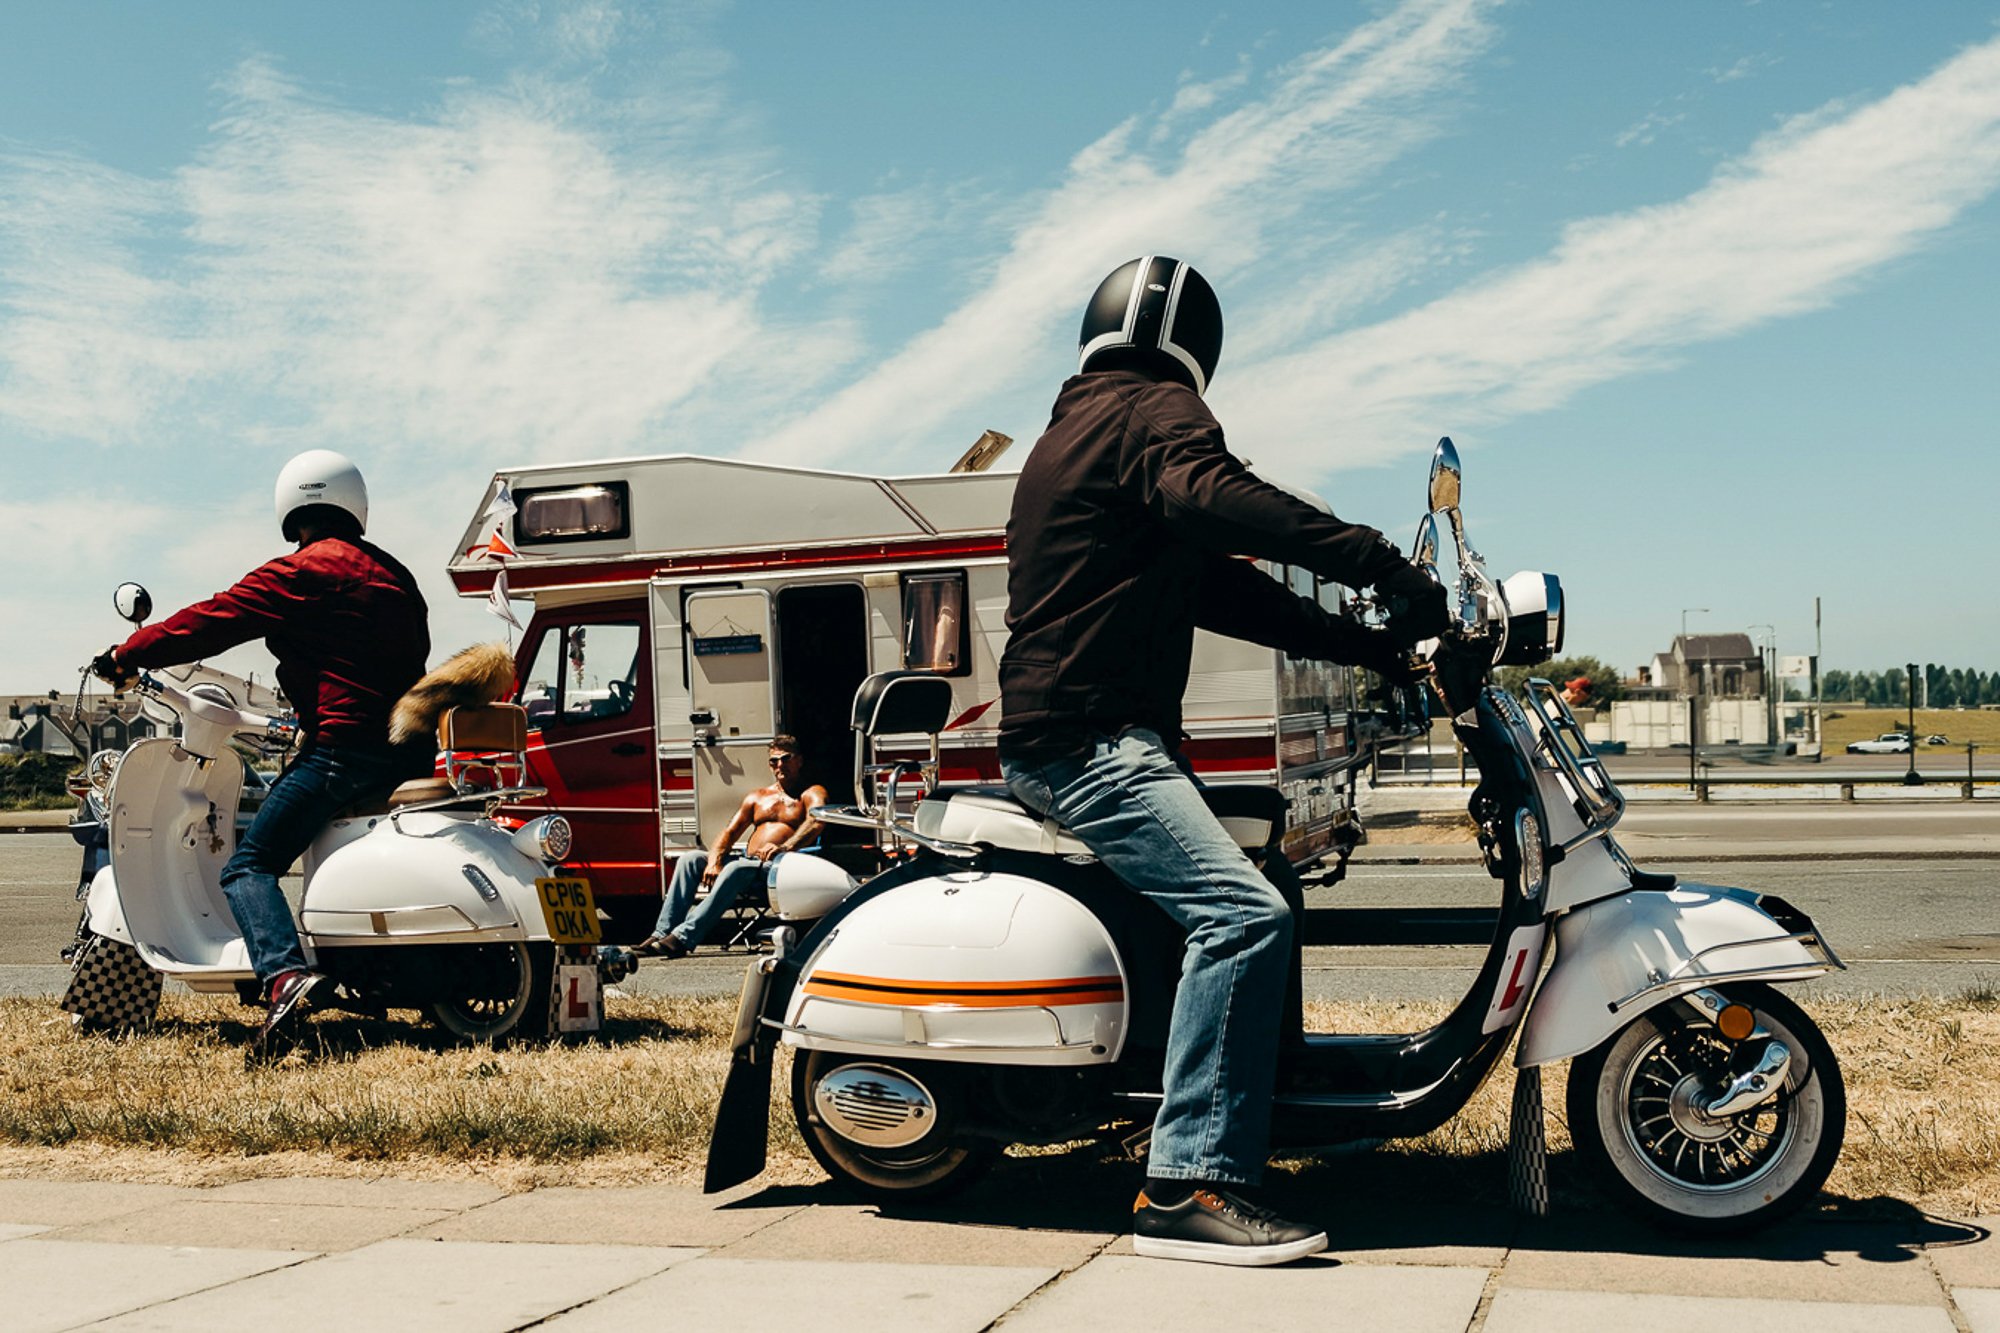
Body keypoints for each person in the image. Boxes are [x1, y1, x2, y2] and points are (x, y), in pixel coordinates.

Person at [998, 256, 1448, 1266]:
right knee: (1243, 915)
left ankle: (1250, 1113)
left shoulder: (1082, 428)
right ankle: (1189, 1184)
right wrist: (1379, 562)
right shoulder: (1149, 412)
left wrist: (1373, 644)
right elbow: (1213, 495)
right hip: (1087, 744)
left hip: (1076, 735)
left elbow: (1228, 590)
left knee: (1268, 869)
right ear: (1187, 338)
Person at [92, 450, 431, 1062]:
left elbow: (213, 619)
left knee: (249, 865)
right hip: (408, 750)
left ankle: (281, 976)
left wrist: (129, 653)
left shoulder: (302, 572)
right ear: (355, 505)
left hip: (342, 749)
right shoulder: (396, 575)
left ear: (290, 506)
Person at [629, 735, 826, 958]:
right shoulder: (759, 797)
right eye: (774, 761)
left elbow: (816, 821)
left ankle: (682, 938)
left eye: (786, 758)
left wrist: (786, 846)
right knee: (690, 860)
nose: (779, 765)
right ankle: (661, 934)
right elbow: (729, 832)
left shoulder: (812, 793)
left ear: (799, 760)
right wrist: (714, 862)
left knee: (736, 868)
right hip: (749, 866)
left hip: (781, 869)